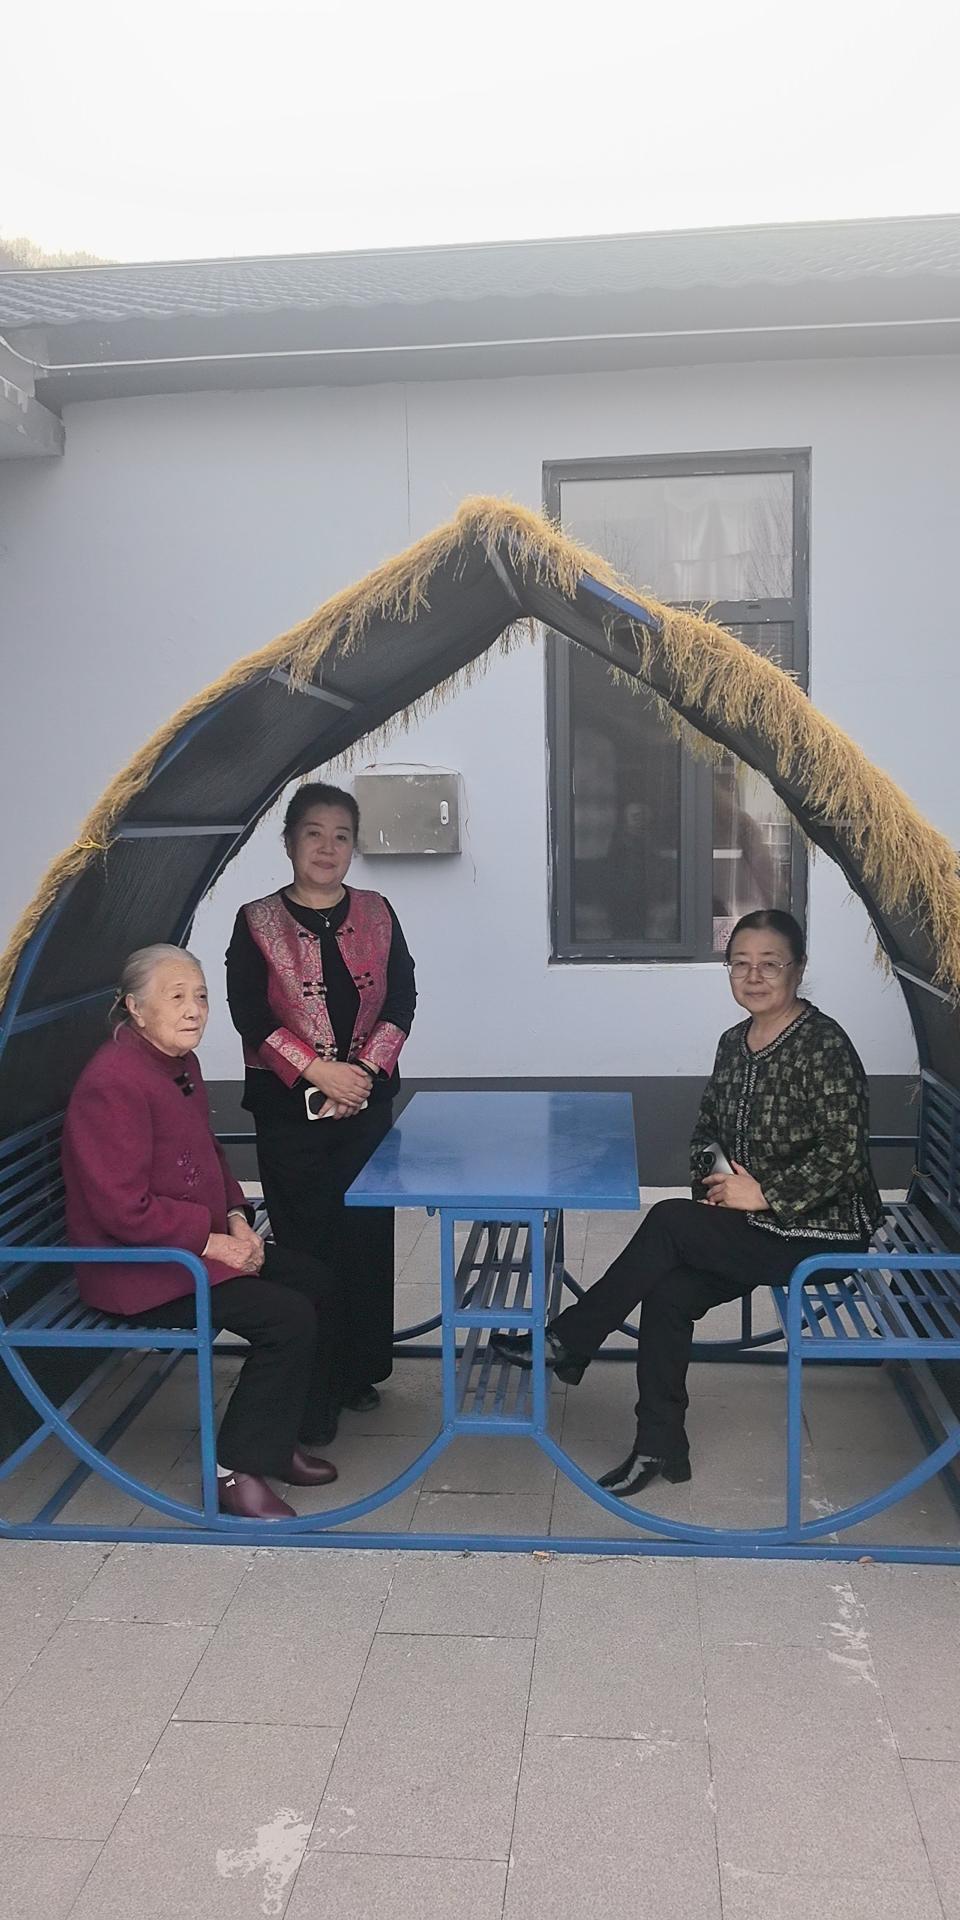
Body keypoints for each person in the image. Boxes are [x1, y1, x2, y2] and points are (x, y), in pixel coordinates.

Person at [492, 909, 883, 1496]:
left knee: (670, 1222)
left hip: (821, 1232)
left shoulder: (824, 1045)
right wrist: (719, 1187)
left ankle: (568, 1341)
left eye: (769, 964)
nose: (753, 976)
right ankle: (660, 1445)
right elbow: (706, 1133)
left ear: (798, 969)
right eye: (740, 964)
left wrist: (765, 1194)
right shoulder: (733, 1043)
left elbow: (844, 1152)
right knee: (669, 1290)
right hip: (751, 1226)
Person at [61, 945, 346, 1521]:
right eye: (176, 997)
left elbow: (210, 1155)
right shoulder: (112, 1083)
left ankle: (274, 1441)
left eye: (201, 996)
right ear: (134, 1008)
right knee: (285, 1317)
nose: (194, 1010)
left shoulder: (178, 1063)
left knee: (315, 1281)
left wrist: (238, 1217)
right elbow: (122, 1210)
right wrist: (216, 1243)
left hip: (186, 1248)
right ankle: (234, 1472)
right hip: (136, 1269)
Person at [225, 781, 416, 1434]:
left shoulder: (379, 911)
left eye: (341, 836)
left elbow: (402, 1000)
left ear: (354, 846)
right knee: (308, 1247)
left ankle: (360, 1371)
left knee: (365, 1241)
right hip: (289, 1120)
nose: (327, 848)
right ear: (289, 843)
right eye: (314, 833)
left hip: (365, 1112)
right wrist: (317, 1071)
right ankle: (313, 1388)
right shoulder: (256, 921)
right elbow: (249, 1013)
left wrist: (362, 1073)